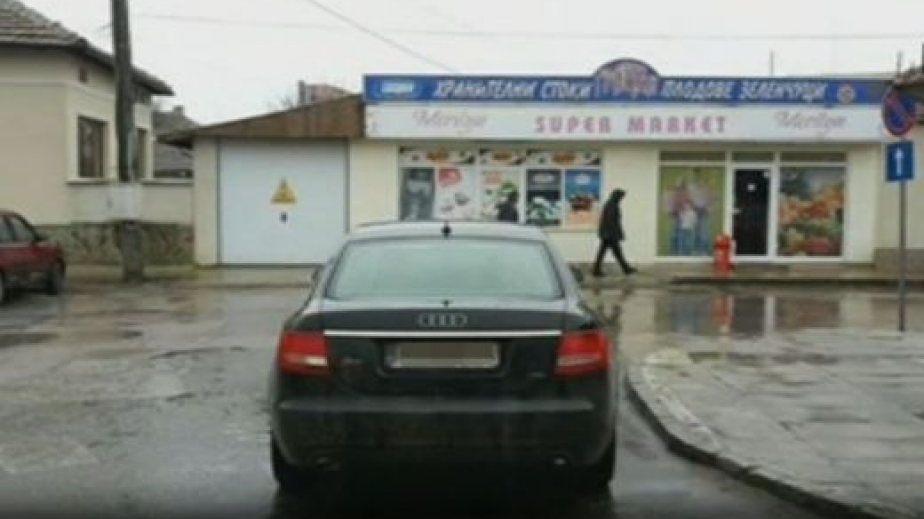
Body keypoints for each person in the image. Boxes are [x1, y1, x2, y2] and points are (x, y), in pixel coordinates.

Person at [593, 189, 637, 277]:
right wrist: (614, 234)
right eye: (621, 197)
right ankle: (626, 269)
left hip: (607, 233)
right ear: (617, 197)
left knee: (604, 252)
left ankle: (596, 270)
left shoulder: (610, 204)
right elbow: (611, 221)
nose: (621, 199)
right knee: (617, 252)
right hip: (610, 234)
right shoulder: (612, 205)